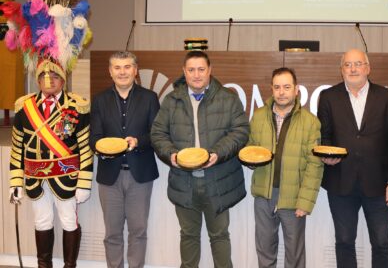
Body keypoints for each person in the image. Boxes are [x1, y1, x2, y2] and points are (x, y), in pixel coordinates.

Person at [151, 50, 249, 268]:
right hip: (184, 182)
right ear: (184, 72)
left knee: (220, 235)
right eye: (191, 70)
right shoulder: (171, 100)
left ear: (210, 71)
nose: (196, 75)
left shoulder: (228, 97)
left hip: (218, 180)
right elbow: (157, 134)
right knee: (188, 235)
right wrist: (171, 155)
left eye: (201, 69)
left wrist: (218, 153)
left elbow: (241, 130)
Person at [317, 48, 388, 268]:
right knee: (344, 241)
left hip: (380, 185)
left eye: (358, 64)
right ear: (341, 70)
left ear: (368, 68)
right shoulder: (328, 97)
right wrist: (326, 156)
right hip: (340, 183)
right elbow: (324, 136)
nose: (353, 68)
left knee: (382, 243)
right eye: (347, 64)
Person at [9, 59, 93, 268]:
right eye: (44, 77)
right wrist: (16, 182)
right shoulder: (24, 107)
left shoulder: (77, 106)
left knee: (68, 222)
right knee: (42, 222)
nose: (49, 81)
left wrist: (84, 182)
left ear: (63, 79)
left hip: (66, 178)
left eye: (55, 76)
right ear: (37, 80)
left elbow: (85, 147)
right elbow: (17, 147)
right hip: (35, 178)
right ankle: (43, 265)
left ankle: (69, 266)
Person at [247, 67, 323, 268]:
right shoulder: (259, 116)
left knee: (294, 256)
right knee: (264, 252)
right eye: (277, 87)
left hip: (294, 198)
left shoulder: (310, 122)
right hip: (264, 195)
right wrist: (248, 158)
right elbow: (250, 148)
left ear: (296, 89)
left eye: (287, 87)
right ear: (271, 89)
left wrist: (305, 203)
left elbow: (314, 165)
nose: (282, 92)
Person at [90, 51, 160, 268]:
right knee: (112, 233)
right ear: (110, 72)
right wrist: (106, 147)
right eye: (117, 68)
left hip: (140, 175)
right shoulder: (100, 100)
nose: (122, 72)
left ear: (135, 70)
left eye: (127, 67)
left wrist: (138, 141)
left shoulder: (149, 98)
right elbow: (94, 138)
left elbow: (157, 135)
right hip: (110, 177)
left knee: (138, 231)